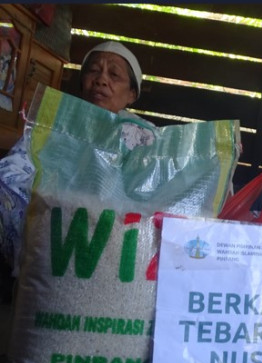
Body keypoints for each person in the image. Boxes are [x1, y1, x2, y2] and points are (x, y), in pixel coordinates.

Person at [0, 41, 150, 282]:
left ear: (132, 94)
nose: (101, 80)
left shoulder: (143, 136)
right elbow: (14, 169)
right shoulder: (56, 123)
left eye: (114, 75)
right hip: (50, 217)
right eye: (94, 71)